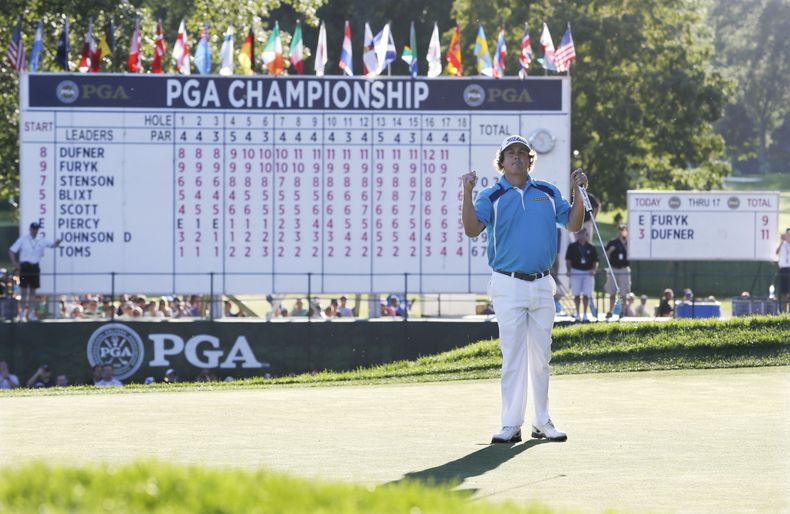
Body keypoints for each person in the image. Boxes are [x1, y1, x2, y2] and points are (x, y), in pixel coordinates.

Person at [462, 134, 587, 444]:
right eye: (510, 153)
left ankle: (542, 421)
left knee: (541, 356)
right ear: (501, 161)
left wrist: (578, 191)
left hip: (542, 283)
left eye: (522, 153)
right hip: (507, 282)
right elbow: (471, 229)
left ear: (531, 160)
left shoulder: (547, 192)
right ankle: (510, 424)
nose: (516, 157)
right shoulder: (490, 196)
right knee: (513, 356)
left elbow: (573, 224)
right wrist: (466, 191)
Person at [8, 222, 61, 321]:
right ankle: (22, 314)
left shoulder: (41, 239)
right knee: (24, 291)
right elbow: (11, 250)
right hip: (25, 267)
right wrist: (15, 264)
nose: (35, 230)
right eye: (34, 229)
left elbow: (53, 245)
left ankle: (31, 313)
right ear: (30, 229)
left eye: (37, 229)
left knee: (33, 292)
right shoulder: (23, 239)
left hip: (35, 267)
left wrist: (57, 242)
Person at [564, 228, 598, 321]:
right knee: (576, 294)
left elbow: (595, 261)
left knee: (587, 294)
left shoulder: (591, 247)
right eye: (581, 234)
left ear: (587, 235)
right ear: (578, 235)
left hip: (588, 273)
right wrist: (569, 270)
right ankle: (578, 313)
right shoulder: (572, 246)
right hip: (576, 271)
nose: (583, 235)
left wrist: (593, 270)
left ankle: (585, 314)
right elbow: (568, 260)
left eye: (585, 234)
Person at [604, 224, 631, 319]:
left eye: (623, 230)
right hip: (614, 269)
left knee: (624, 293)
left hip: (624, 269)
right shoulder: (612, 242)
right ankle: (610, 311)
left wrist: (624, 243)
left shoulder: (628, 242)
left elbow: (630, 254)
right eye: (620, 230)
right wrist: (610, 251)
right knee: (612, 292)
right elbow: (606, 255)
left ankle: (622, 312)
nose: (621, 231)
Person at [777, 228, 790, 313]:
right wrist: (782, 242)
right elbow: (777, 252)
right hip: (783, 270)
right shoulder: (783, 244)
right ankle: (784, 311)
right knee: (784, 292)